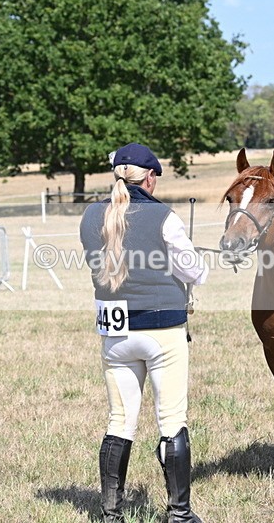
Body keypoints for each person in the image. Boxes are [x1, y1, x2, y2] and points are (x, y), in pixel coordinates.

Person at [79, 143, 208, 523]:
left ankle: (110, 514)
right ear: (149, 178)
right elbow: (195, 273)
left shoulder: (89, 216)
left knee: (119, 421)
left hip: (114, 333)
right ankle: (179, 514)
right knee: (171, 419)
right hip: (161, 330)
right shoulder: (164, 217)